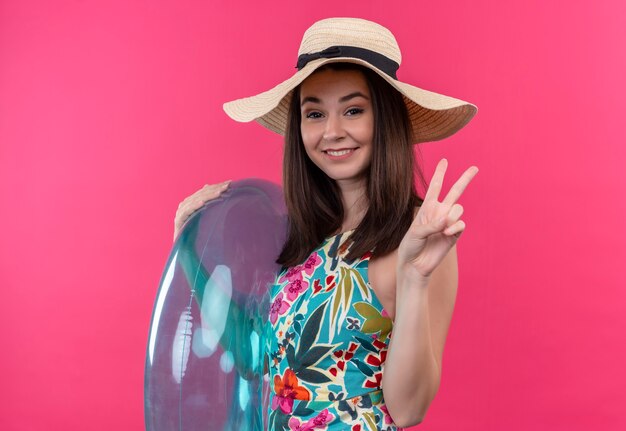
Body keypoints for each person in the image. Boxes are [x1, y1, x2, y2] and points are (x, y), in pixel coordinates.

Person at [174, 17, 478, 431]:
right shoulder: (298, 237)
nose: (332, 132)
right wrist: (189, 252)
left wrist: (415, 276)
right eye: (314, 114)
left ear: (385, 119)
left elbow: (409, 410)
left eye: (353, 110)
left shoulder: (422, 237)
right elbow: (252, 354)